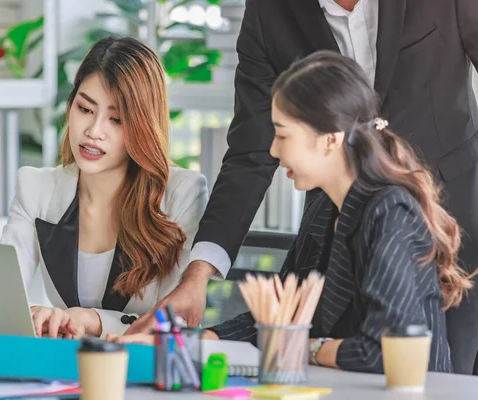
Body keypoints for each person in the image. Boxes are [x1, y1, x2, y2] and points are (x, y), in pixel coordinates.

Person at [127, 0, 478, 375]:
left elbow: (386, 352)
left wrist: (307, 348)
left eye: (283, 135)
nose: (276, 152)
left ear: (329, 139)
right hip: (341, 206)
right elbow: (250, 153)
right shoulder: (323, 219)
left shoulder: (391, 215)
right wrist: (197, 313)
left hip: (459, 216)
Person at [0, 36, 208, 340]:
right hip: (62, 369)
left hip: (143, 370)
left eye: (116, 119)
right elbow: (2, 298)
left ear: (143, 126)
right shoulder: (36, 187)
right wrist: (34, 314)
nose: (94, 131)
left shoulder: (183, 193)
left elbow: (175, 319)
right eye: (85, 109)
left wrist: (91, 320)